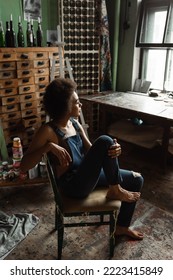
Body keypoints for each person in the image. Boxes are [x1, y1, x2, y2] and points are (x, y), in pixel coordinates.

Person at [21, 78, 144, 240]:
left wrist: (113, 151)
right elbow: (24, 166)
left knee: (136, 180)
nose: (81, 105)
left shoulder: (75, 124)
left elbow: (93, 151)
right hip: (73, 185)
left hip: (86, 175)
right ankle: (115, 189)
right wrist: (48, 147)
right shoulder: (48, 131)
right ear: (65, 107)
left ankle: (122, 227)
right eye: (77, 103)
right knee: (105, 140)